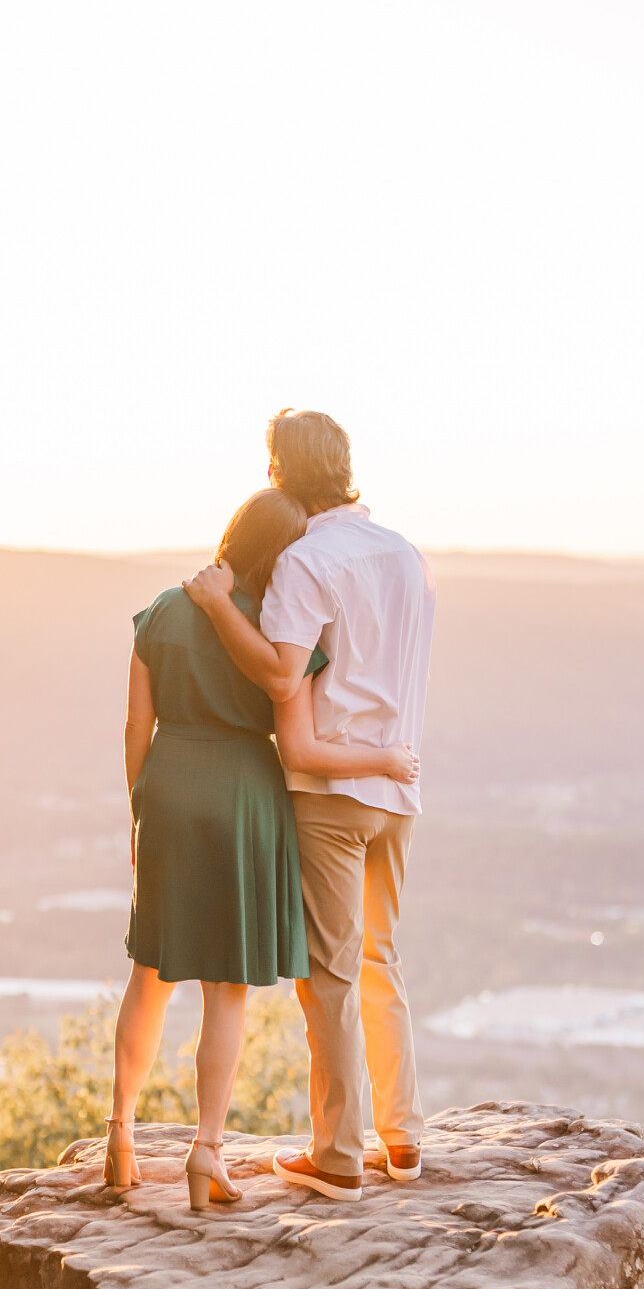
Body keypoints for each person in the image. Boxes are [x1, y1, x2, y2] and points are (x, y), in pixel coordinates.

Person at [111, 486, 417, 1211]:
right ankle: (205, 1152)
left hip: (170, 783)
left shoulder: (162, 610)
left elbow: (133, 725)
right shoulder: (280, 633)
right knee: (226, 991)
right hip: (245, 794)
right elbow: (296, 737)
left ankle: (119, 1135)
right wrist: (380, 758)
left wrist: (138, 808)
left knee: (148, 972)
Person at [185, 407, 435, 1203]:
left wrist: (220, 607)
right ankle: (403, 1138)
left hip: (329, 787)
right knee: (378, 961)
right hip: (396, 782)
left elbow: (282, 675)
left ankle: (335, 1154)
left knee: (326, 974)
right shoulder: (404, 555)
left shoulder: (305, 561)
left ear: (276, 475)